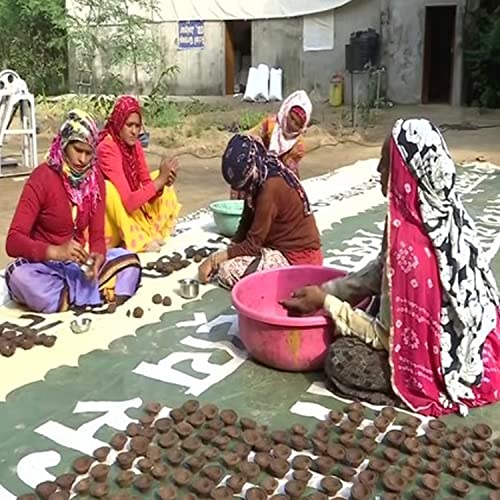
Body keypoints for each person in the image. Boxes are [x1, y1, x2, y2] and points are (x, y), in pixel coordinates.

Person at [282, 118, 500, 417]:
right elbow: (381, 270)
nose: (378, 170)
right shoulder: (438, 211)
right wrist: (328, 291)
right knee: (368, 305)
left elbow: (386, 337)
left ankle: (406, 390)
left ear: (405, 173)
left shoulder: (412, 247)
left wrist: (328, 304)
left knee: (340, 358)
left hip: (438, 356)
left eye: (386, 163)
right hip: (463, 335)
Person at [5, 109, 141, 313]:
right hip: (43, 266)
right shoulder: (42, 177)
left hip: (77, 268)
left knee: (129, 261)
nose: (83, 160)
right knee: (19, 276)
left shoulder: (95, 180)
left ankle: (69, 297)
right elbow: (13, 241)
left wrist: (96, 259)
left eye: (89, 153)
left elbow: (97, 236)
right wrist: (56, 252)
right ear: (64, 144)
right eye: (78, 150)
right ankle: (90, 295)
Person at [200, 134, 322, 289]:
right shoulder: (260, 175)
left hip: (299, 259)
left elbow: (252, 245)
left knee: (227, 271)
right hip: (276, 247)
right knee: (229, 262)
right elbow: (246, 221)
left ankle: (291, 283)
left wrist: (214, 260)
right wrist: (231, 249)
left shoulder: (270, 188)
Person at [97, 95, 180, 253]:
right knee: (108, 189)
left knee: (159, 179)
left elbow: (147, 184)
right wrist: (160, 181)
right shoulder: (107, 148)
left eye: (137, 126)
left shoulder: (135, 146)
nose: (134, 131)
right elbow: (128, 202)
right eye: (129, 125)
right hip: (110, 217)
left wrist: (164, 182)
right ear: (119, 123)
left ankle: (148, 231)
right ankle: (138, 239)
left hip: (131, 205)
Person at [230, 90, 312, 200]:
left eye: (297, 124)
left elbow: (286, 171)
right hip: (258, 166)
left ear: (302, 128)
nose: (292, 124)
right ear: (286, 110)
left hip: (279, 177)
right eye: (291, 118)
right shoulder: (270, 124)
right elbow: (252, 136)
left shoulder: (298, 146)